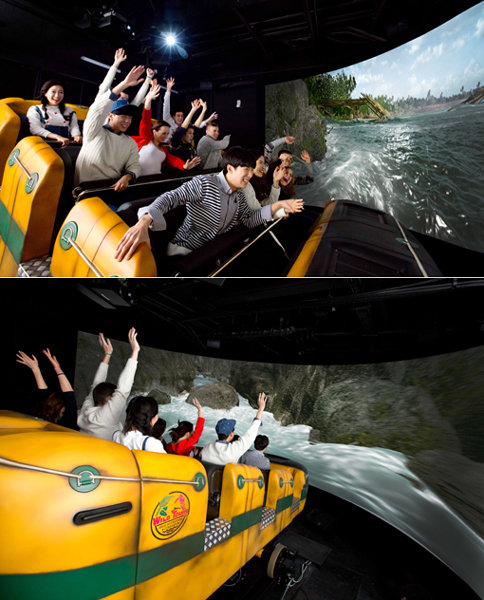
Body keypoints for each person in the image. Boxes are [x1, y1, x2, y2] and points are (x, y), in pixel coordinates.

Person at [114, 146, 304, 262]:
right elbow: (170, 198)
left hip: (211, 252)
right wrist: (143, 222)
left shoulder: (239, 193)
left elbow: (249, 218)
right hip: (185, 252)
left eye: (251, 170)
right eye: (246, 170)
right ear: (230, 168)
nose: (249, 175)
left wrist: (279, 206)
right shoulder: (204, 183)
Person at [74, 65, 145, 190]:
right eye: (123, 116)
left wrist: (127, 176)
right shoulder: (94, 131)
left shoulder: (130, 142)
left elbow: (135, 165)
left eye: (130, 117)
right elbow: (97, 109)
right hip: (86, 190)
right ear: (110, 116)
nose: (127, 121)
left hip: (112, 189)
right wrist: (124, 84)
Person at [77, 328, 140, 440]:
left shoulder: (85, 411)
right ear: (108, 399)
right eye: (113, 396)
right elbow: (123, 389)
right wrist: (135, 351)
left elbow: (95, 386)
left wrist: (107, 354)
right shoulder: (107, 417)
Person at [133, 81, 200, 175]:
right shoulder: (146, 138)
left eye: (168, 134)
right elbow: (146, 119)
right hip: (137, 178)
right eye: (163, 133)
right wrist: (148, 100)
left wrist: (184, 166)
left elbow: (173, 160)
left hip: (154, 180)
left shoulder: (164, 150)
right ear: (155, 131)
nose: (166, 136)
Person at [16, 348, 78, 430]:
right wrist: (57, 369)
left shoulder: (62, 418)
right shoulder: (66, 419)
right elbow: (69, 395)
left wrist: (36, 369)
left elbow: (68, 394)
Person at [200, 392, 267, 465]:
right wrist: (261, 408)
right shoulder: (233, 451)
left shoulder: (207, 448)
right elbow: (250, 434)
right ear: (231, 435)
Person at [27, 79, 82, 146]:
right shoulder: (35, 109)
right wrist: (57, 137)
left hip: (65, 146)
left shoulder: (69, 110)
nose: (57, 96)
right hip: (42, 146)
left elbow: (74, 126)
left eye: (61, 92)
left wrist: (76, 135)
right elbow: (35, 129)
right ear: (45, 93)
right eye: (53, 92)